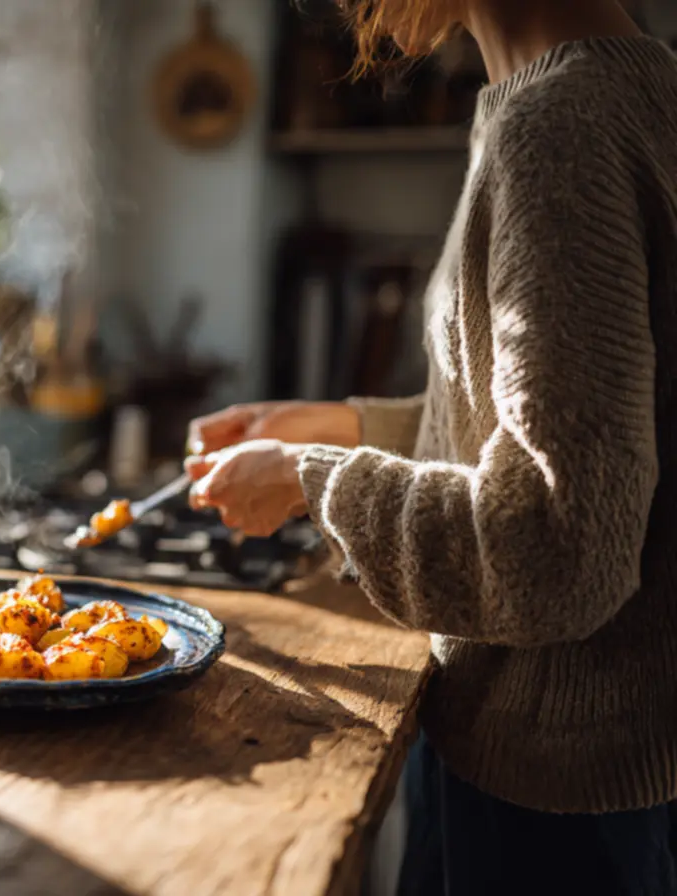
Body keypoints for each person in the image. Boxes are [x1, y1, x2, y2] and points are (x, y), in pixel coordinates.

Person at [184, 1, 677, 893]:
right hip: (594, 762)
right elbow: (570, 430)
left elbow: (559, 545)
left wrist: (311, 482)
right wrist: (342, 426)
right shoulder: (627, 90)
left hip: (554, 794)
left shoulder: (558, 127)